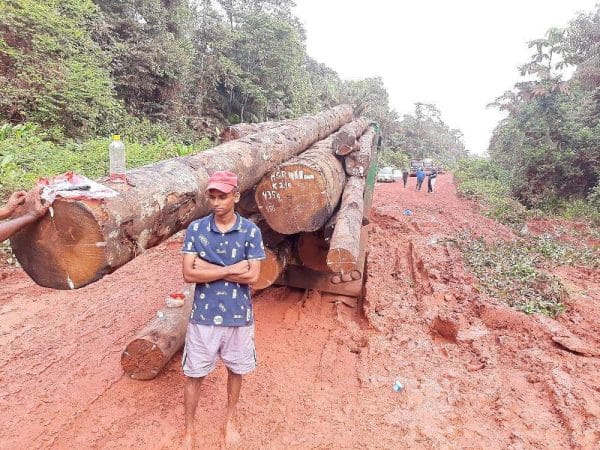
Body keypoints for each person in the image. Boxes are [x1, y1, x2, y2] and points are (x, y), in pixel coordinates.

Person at [181, 171, 265, 449]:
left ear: (236, 196)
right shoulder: (196, 229)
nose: (217, 203)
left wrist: (207, 269)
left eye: (223, 197)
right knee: (194, 374)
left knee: (236, 370)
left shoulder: (251, 232)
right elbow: (188, 274)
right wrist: (231, 269)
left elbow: (253, 277)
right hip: (204, 314)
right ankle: (189, 431)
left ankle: (229, 421)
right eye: (213, 197)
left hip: (238, 315)